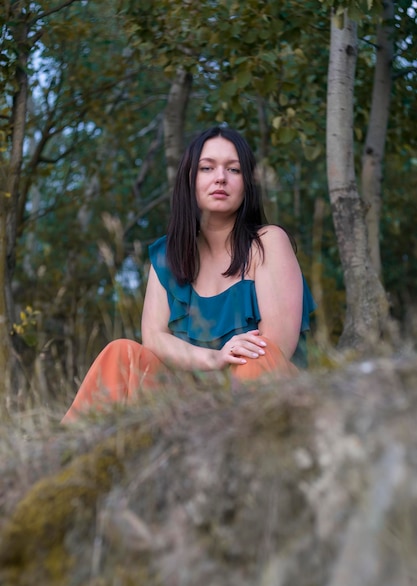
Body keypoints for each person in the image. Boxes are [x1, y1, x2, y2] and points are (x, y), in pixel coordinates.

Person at [62, 126, 316, 423]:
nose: (220, 177)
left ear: (247, 183)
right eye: (207, 168)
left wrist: (225, 364)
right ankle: (59, 459)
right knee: (121, 353)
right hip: (189, 399)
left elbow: (274, 348)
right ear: (190, 180)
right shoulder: (168, 256)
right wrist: (214, 357)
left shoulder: (268, 242)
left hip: (268, 395)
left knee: (254, 358)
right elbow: (154, 339)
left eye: (233, 169)